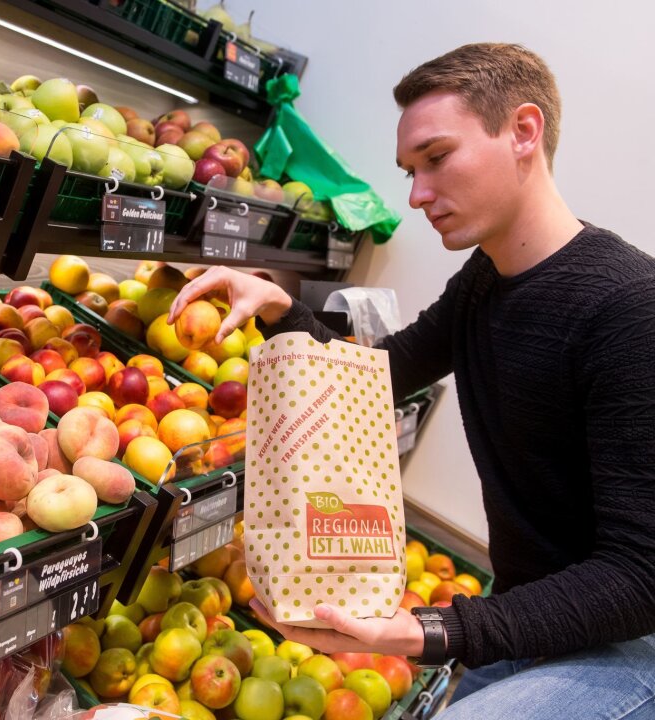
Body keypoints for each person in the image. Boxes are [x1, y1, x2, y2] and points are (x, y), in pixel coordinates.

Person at [168, 43, 655, 719]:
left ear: (523, 131)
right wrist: (285, 313)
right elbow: (374, 383)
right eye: (410, 171)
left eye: (437, 158)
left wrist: (431, 630)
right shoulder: (485, 281)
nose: (419, 195)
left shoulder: (631, 307)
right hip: (531, 617)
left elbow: (640, 575)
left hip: (633, 645)